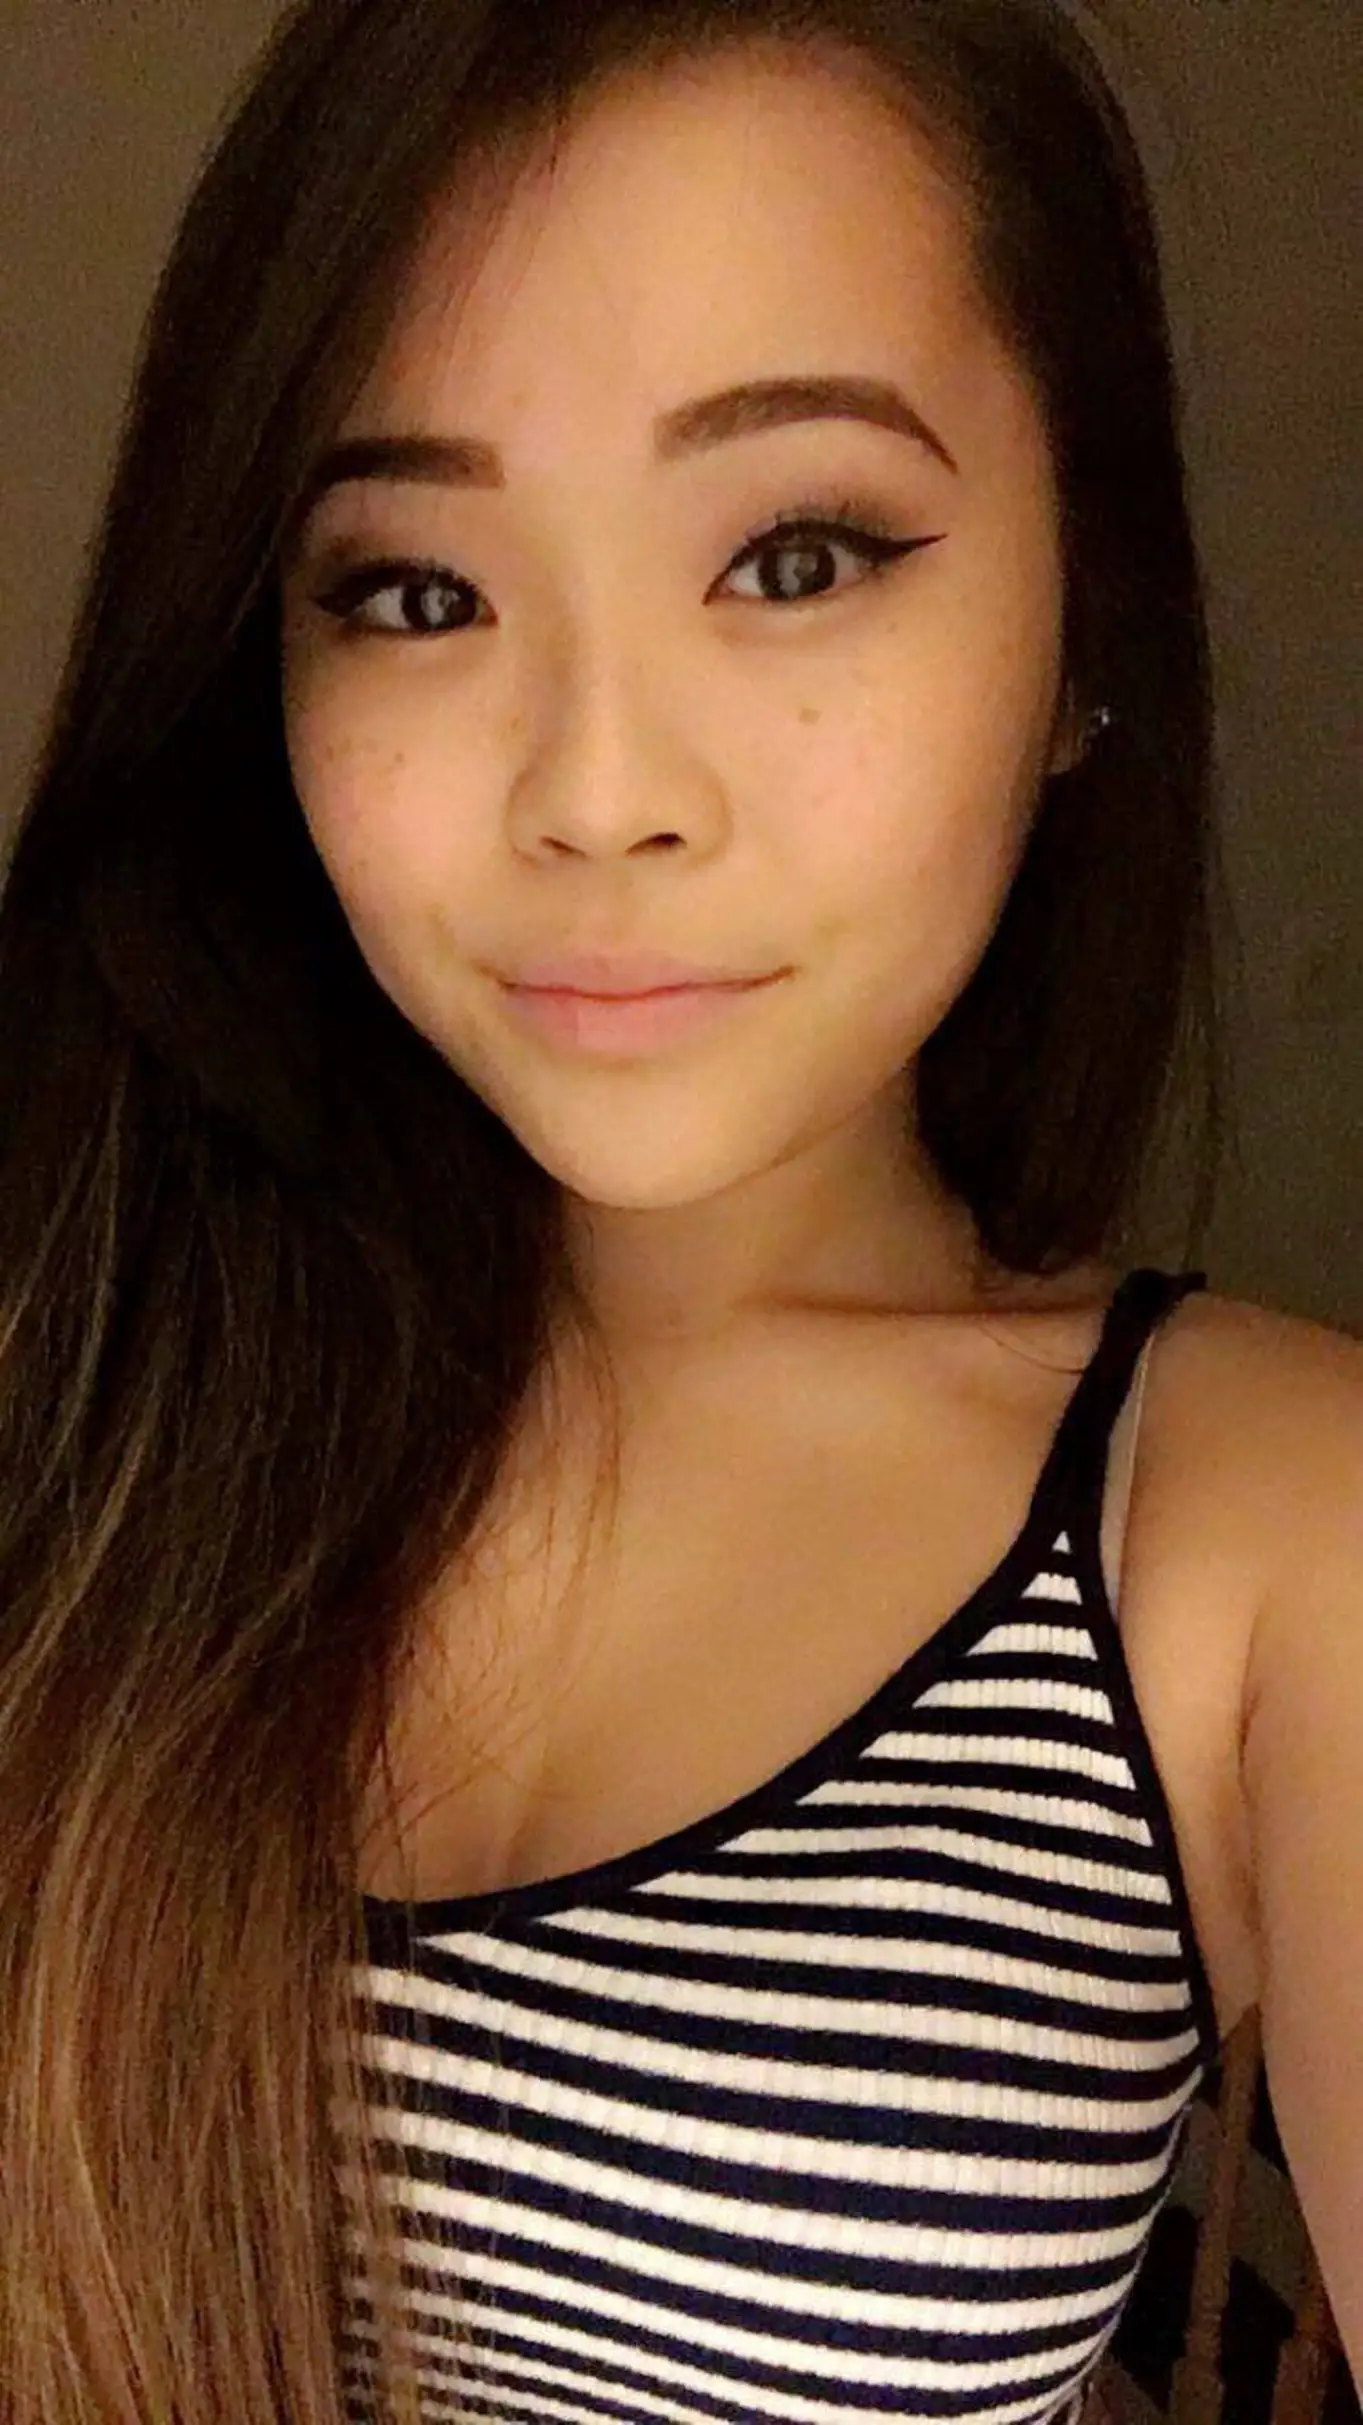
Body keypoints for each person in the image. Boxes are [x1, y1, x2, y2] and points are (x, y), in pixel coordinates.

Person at [0, 0, 1357, 2418]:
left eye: (794, 555)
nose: (599, 789)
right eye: (417, 593)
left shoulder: (1261, 1535)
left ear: (1087, 636)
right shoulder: (88, 1355)